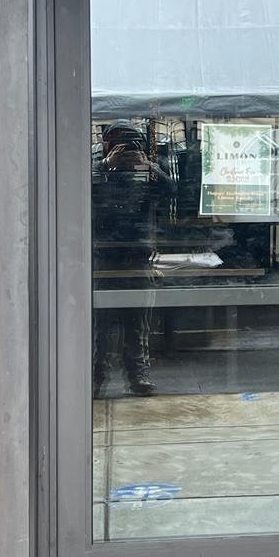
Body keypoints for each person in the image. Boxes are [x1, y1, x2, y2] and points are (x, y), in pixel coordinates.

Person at [92, 120, 176, 397]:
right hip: (103, 256)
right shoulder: (97, 167)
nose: (126, 150)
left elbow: (171, 192)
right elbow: (83, 192)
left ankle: (138, 376)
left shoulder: (147, 170)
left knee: (137, 323)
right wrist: (106, 164)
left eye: (131, 145)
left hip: (138, 256)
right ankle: (96, 378)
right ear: (107, 145)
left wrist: (148, 165)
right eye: (120, 144)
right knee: (100, 325)